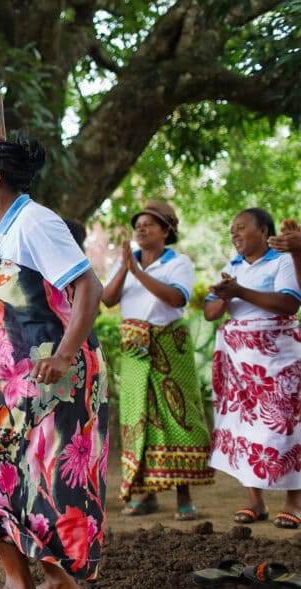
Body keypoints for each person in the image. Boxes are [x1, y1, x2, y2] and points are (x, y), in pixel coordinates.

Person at [0, 138, 107, 589]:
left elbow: (86, 285)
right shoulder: (5, 231)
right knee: (27, 478)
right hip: (15, 379)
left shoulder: (35, 221)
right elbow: (27, 308)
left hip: (46, 377)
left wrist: (64, 352)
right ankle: (59, 584)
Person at [101, 200, 213, 520]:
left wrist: (137, 271)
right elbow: (107, 300)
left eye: (149, 224)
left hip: (169, 347)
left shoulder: (179, 262)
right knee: (139, 419)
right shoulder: (126, 263)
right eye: (138, 224)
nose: (141, 228)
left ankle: (184, 497)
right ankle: (145, 495)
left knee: (176, 417)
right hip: (135, 349)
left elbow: (177, 297)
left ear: (166, 231)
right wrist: (126, 267)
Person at [205, 207, 301, 529]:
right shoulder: (230, 268)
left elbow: (289, 304)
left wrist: (239, 292)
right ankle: (255, 502)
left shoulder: (282, 260)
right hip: (239, 361)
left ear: (264, 232)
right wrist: (222, 297)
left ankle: (293, 503)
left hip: (277, 358)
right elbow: (210, 312)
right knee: (243, 427)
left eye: (242, 227)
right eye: (232, 229)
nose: (235, 234)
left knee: (284, 425)